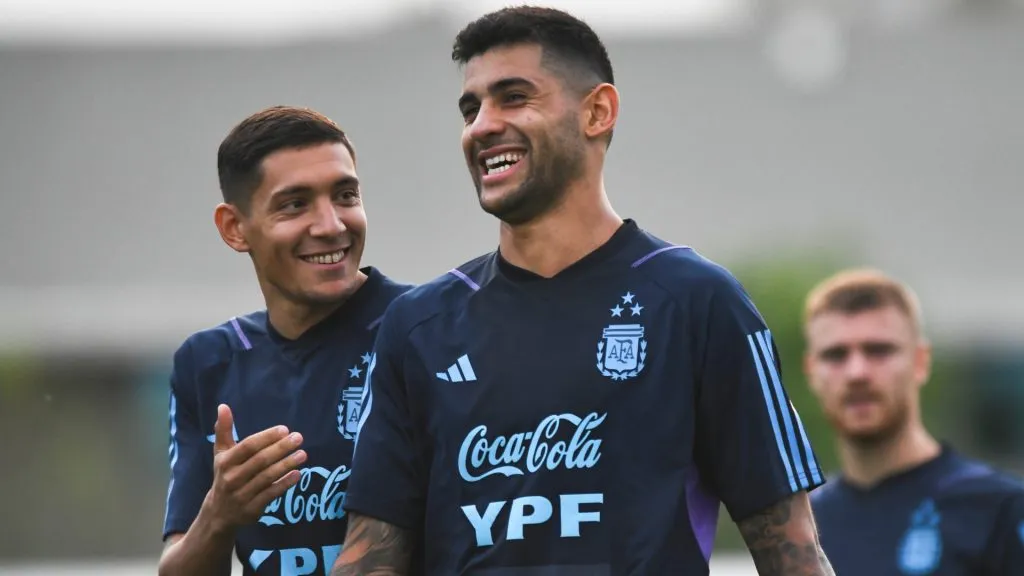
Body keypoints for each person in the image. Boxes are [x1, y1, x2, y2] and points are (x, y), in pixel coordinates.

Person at [332, 7, 834, 575]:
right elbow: (370, 559)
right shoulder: (417, 327)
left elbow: (791, 552)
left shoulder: (700, 302)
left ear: (597, 111)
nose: (481, 125)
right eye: (471, 109)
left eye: (514, 97)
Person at [157, 105, 413, 576]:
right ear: (235, 228)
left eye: (345, 195)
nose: (332, 224)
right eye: (295, 204)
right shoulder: (206, 361)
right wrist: (219, 514)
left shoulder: (425, 327)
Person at [803, 268, 1024, 575]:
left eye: (878, 350)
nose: (857, 373)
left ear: (920, 361)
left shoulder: (1002, 510)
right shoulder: (800, 525)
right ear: (811, 371)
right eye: (836, 355)